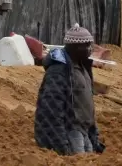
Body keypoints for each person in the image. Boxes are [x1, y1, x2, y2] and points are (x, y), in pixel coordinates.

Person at [34, 23, 105, 155]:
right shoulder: (59, 71)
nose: (90, 50)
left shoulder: (83, 68)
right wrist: (60, 142)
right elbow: (51, 108)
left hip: (84, 129)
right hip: (71, 130)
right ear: (75, 48)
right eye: (87, 46)